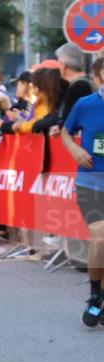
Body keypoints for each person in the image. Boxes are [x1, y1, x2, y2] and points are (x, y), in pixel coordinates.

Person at [60, 59, 104, 326]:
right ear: (99, 76)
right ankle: (94, 295)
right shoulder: (85, 104)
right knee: (100, 239)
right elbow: (65, 132)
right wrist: (75, 149)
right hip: (91, 184)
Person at [55, 42, 96, 135]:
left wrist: (60, 126)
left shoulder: (78, 87)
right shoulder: (88, 82)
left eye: (59, 62)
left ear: (64, 65)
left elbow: (68, 122)